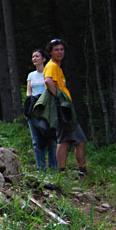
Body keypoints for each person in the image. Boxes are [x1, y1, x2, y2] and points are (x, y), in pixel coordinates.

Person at [43, 38, 88, 175]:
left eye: (61, 49)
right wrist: (60, 97)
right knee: (78, 140)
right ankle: (80, 170)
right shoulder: (51, 66)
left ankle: (64, 171)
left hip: (63, 107)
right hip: (62, 108)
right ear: (50, 52)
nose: (60, 52)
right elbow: (48, 80)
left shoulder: (57, 67)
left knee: (65, 140)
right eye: (56, 50)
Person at [25, 49, 57, 170]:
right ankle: (41, 169)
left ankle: (54, 169)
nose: (34, 58)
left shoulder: (49, 73)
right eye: (33, 56)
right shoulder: (31, 75)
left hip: (47, 108)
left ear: (43, 59)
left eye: (37, 56)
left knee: (51, 139)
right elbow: (29, 92)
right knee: (36, 141)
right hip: (34, 109)